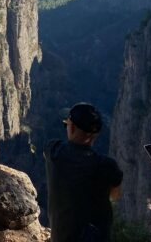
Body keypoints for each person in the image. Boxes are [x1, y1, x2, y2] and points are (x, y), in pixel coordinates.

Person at [45, 102, 122, 242]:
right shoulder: (107, 166)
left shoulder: (53, 151)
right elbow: (114, 195)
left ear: (72, 127)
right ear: (96, 134)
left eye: (66, 124)